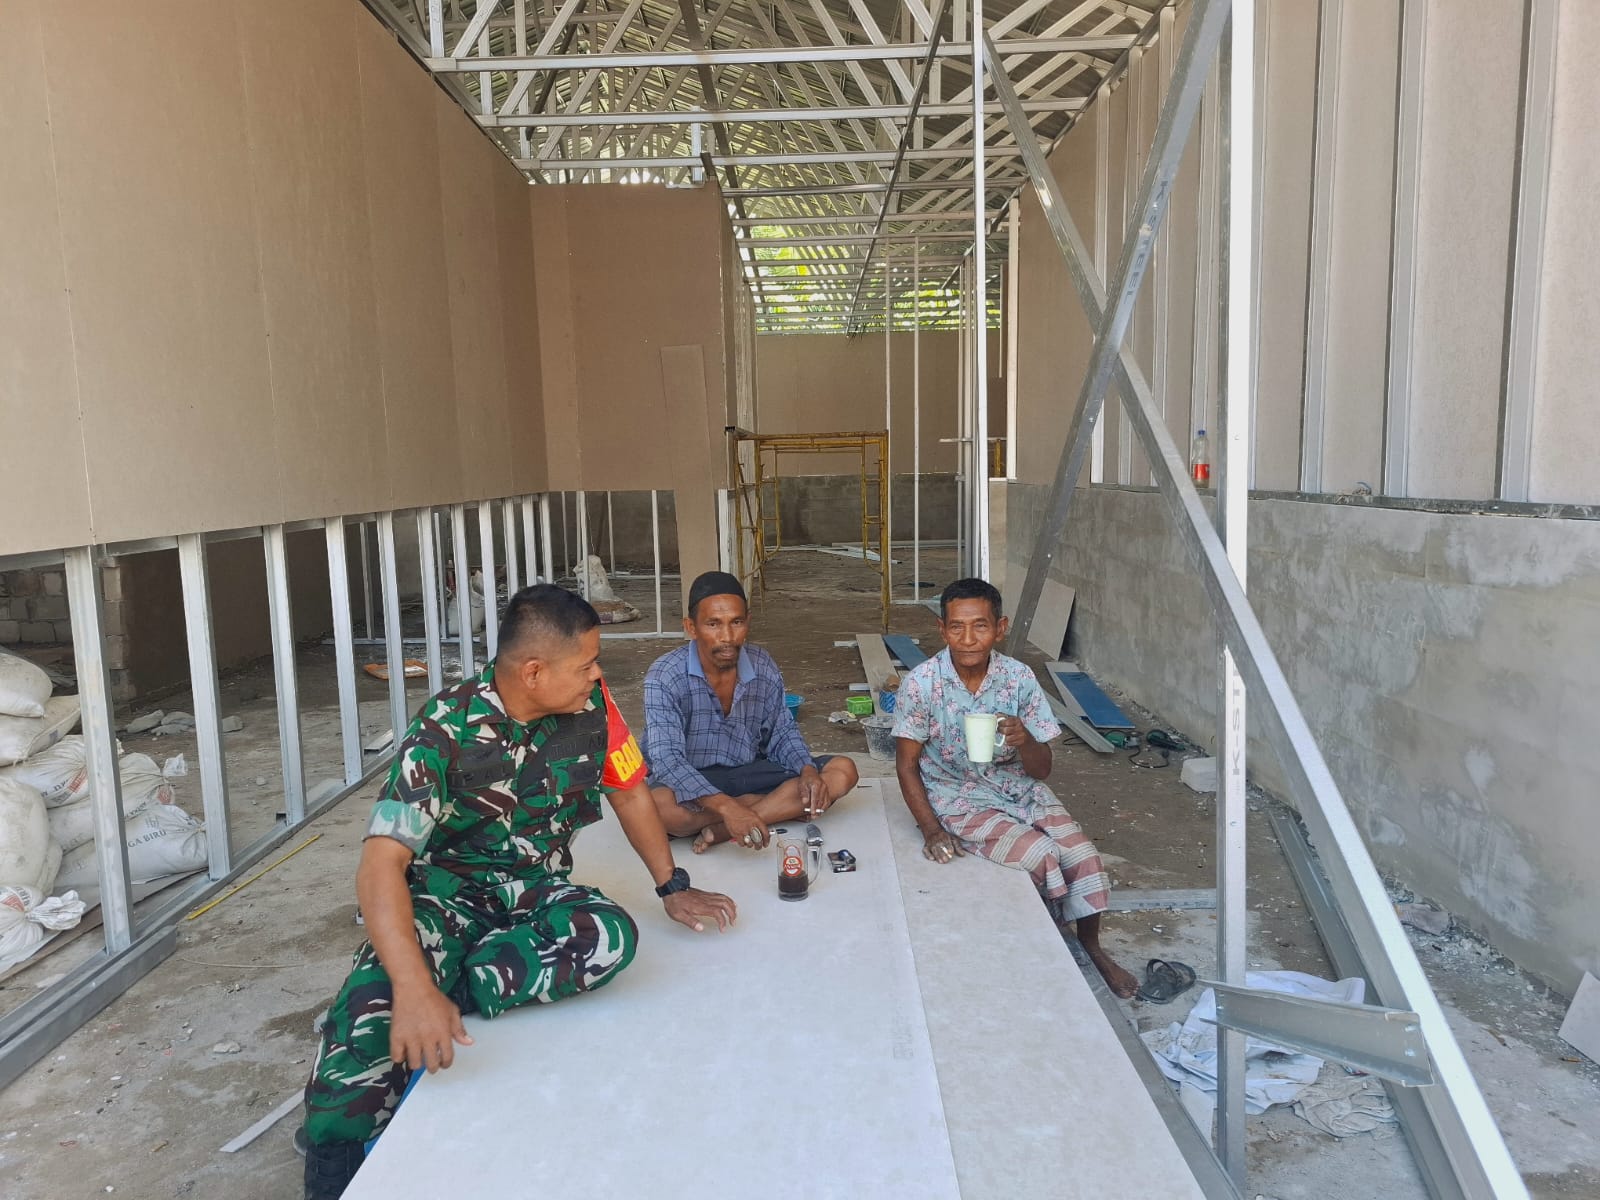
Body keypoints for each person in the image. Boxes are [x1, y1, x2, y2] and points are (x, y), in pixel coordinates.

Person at [301, 585, 736, 1199]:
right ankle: (333, 1160)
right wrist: (411, 985)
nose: (597, 675)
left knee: (609, 934)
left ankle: (453, 987)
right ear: (534, 672)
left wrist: (671, 885)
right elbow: (379, 867)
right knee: (373, 1012)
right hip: (443, 901)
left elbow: (630, 791)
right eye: (586, 664)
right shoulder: (445, 729)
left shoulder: (593, 709)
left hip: (535, 892)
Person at [891, 577, 1137, 998]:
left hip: (1018, 787)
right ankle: (1048, 938)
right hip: (957, 794)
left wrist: (1026, 741)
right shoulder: (922, 683)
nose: (968, 638)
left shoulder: (1018, 678)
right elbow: (906, 764)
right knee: (1039, 855)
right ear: (942, 630)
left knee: (1083, 856)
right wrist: (931, 830)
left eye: (980, 626)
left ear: (1000, 628)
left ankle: (1092, 946)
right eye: (956, 627)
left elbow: (1042, 771)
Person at [643, 571, 859, 852]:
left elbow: (782, 732)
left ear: (748, 622)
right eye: (713, 624)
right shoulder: (664, 675)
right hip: (696, 780)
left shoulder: (762, 664)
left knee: (843, 771)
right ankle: (768, 809)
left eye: (737, 622)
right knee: (658, 809)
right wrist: (728, 807)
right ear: (691, 627)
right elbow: (667, 760)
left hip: (751, 771)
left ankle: (724, 828)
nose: (727, 637)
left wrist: (806, 770)